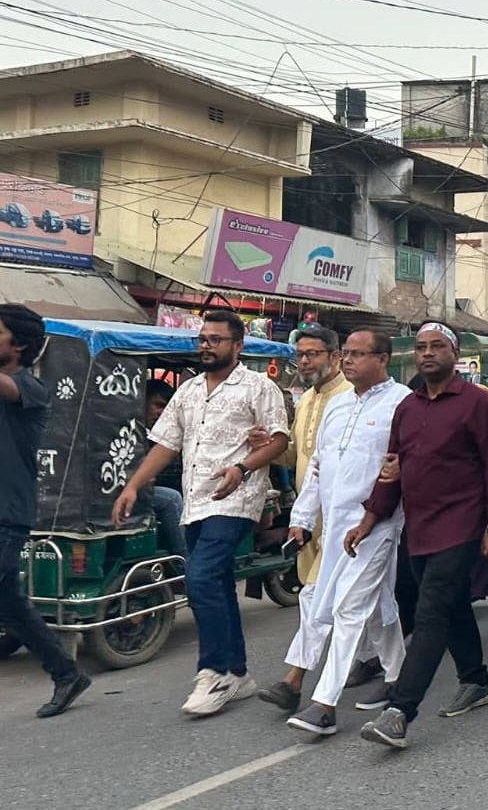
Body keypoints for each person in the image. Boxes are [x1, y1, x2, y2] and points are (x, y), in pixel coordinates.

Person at [346, 321, 488, 750]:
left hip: (461, 526)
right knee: (452, 605)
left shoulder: (477, 403)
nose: (426, 353)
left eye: (437, 346)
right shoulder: (408, 408)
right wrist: (369, 520)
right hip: (418, 528)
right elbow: (392, 470)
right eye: (420, 347)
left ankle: (400, 710)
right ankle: (475, 681)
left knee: (431, 614)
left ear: (454, 354)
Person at [114, 310, 291, 716]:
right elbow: (165, 444)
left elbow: (279, 441)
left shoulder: (257, 387)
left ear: (237, 346)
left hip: (235, 498)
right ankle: (238, 672)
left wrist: (243, 467)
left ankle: (213, 672)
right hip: (194, 503)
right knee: (218, 583)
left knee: (200, 577)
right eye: (203, 339)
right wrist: (133, 485)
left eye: (216, 339)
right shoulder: (189, 391)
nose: (207, 345)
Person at [262, 329, 410, 735]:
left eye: (359, 355)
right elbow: (318, 467)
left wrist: (377, 515)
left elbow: (403, 465)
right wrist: (304, 516)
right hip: (335, 527)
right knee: (376, 605)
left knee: (349, 607)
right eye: (346, 354)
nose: (349, 361)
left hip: (378, 523)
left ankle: (324, 704)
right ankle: (397, 677)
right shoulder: (338, 405)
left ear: (383, 359)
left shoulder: (402, 404)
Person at [0, 304, 92, 718]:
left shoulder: (31, 388)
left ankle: (66, 674)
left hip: (6, 515)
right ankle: (67, 673)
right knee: (11, 605)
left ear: (17, 344)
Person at [256, 325, 353, 712]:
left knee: (315, 599)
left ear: (335, 357)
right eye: (302, 355)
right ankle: (386, 665)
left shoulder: (350, 398)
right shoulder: (308, 399)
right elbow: (298, 456)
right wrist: (268, 448)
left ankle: (294, 680)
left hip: (344, 519)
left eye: (313, 354)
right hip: (308, 519)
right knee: (362, 607)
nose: (305, 361)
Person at [141, 380, 186, 557]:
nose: (161, 414)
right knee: (171, 499)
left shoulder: (162, 433)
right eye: (157, 406)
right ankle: (187, 562)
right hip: (125, 492)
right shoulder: (134, 431)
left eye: (166, 409)